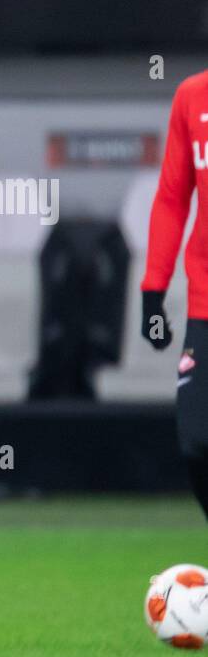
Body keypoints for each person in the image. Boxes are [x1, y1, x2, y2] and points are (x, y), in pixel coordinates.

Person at [140, 68, 208, 518]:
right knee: (198, 441)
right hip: (205, 305)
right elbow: (171, 197)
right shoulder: (192, 95)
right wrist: (153, 291)